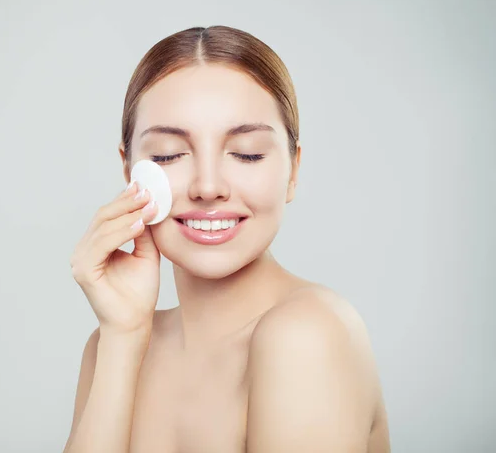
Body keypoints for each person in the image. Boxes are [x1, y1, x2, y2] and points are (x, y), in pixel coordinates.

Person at [63, 25, 390, 453]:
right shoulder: (109, 345)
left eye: (247, 152)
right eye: (168, 154)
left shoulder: (307, 335)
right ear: (129, 172)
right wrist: (123, 336)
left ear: (292, 170)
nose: (208, 186)